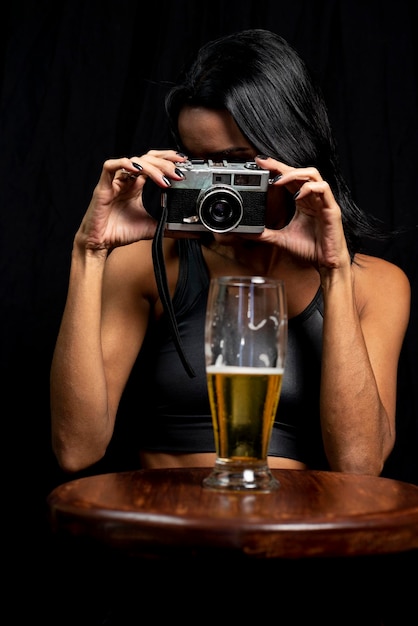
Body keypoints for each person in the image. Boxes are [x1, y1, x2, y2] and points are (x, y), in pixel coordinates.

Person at [50, 28, 410, 476]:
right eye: (201, 164)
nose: (220, 189)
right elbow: (76, 448)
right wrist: (89, 252)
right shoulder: (150, 264)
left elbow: (359, 466)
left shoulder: (376, 285)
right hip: (169, 523)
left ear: (291, 149)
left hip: (296, 532)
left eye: (239, 164)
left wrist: (334, 272)